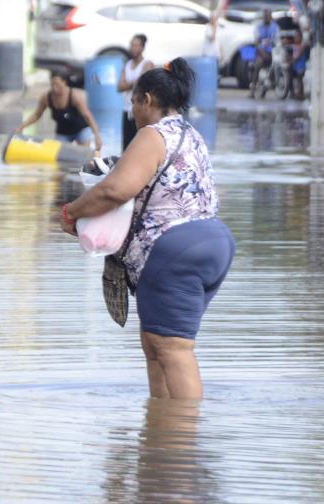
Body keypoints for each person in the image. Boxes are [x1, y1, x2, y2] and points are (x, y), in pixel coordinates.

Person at [61, 58, 236, 400]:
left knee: (173, 347)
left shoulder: (153, 135)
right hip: (213, 241)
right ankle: (161, 430)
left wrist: (71, 213)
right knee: (156, 340)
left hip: (175, 249)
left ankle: (184, 438)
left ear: (149, 99)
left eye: (134, 103)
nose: (133, 111)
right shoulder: (191, 134)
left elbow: (116, 190)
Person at [15, 69, 103, 152]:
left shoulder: (75, 96)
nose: (54, 88)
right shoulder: (46, 98)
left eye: (57, 84)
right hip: (63, 133)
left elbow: (88, 116)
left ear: (64, 82)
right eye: (52, 84)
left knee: (84, 150)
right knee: (59, 153)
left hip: (80, 130)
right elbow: (36, 115)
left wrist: (97, 136)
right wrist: (22, 127)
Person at [118, 34, 154, 150]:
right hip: (127, 109)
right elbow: (119, 87)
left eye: (136, 45)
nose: (133, 48)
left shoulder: (147, 64)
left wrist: (130, 83)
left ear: (142, 48)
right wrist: (134, 82)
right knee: (126, 146)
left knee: (140, 145)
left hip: (141, 110)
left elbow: (141, 85)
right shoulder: (127, 65)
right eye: (132, 45)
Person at [250, 9, 278, 98]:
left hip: (273, 52)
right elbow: (256, 42)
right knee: (258, 64)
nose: (266, 18)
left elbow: (278, 39)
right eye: (265, 16)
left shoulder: (275, 27)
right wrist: (262, 51)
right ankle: (252, 90)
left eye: (268, 16)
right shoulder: (259, 27)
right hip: (261, 53)